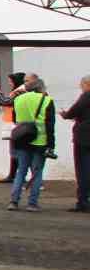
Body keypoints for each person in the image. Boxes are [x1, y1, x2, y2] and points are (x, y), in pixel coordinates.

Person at [7, 79, 55, 212]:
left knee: (21, 171)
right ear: (41, 88)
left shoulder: (18, 99)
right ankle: (32, 203)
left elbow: (15, 119)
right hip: (40, 141)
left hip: (22, 139)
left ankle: (13, 201)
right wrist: (51, 145)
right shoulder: (47, 100)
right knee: (37, 172)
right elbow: (50, 126)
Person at [61, 74, 90, 213]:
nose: (80, 87)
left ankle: (83, 201)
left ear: (86, 84)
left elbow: (74, 111)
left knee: (83, 169)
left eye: (81, 84)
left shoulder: (86, 96)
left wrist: (65, 114)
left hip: (84, 137)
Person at [0, 72, 29, 183]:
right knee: (14, 151)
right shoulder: (18, 91)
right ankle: (13, 174)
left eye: (11, 81)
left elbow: (5, 102)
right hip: (13, 123)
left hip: (16, 124)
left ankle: (19, 176)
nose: (9, 83)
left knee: (18, 151)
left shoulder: (19, 91)